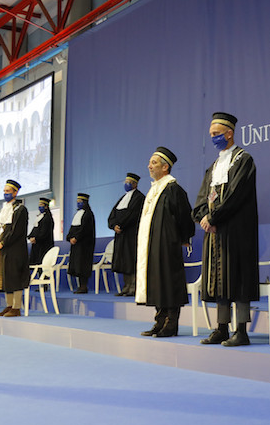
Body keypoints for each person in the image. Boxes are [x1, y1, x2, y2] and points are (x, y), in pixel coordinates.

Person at [192, 112, 260, 347]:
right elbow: (202, 198)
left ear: (229, 134)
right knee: (219, 281)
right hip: (215, 233)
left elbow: (235, 196)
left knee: (238, 279)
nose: (213, 138)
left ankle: (241, 331)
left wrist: (213, 217)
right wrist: (203, 217)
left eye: (216, 134)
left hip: (237, 232)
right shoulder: (213, 167)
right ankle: (221, 328)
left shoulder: (244, 160)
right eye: (211, 135)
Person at [137, 147, 195, 337]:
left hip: (168, 244)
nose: (149, 166)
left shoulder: (173, 189)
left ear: (165, 167)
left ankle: (172, 323)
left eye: (154, 163)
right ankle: (159, 321)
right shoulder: (154, 190)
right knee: (157, 281)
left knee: (169, 282)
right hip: (153, 245)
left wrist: (184, 238)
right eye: (149, 162)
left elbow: (184, 216)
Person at [0, 180, 30, 317]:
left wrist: (3, 242)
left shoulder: (20, 210)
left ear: (15, 192)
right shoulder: (1, 210)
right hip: (1, 249)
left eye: (8, 191)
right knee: (4, 276)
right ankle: (8, 305)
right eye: (4, 191)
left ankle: (17, 307)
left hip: (14, 249)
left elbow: (16, 231)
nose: (5, 193)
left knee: (15, 277)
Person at [108, 173, 144, 297]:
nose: (126, 184)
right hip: (120, 235)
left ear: (135, 184)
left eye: (129, 182)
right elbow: (112, 214)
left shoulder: (139, 197)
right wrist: (113, 225)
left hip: (131, 234)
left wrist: (121, 225)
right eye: (125, 181)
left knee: (131, 260)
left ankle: (133, 287)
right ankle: (125, 287)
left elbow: (133, 215)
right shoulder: (123, 198)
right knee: (123, 261)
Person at [66, 193, 95, 294]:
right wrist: (70, 237)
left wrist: (76, 238)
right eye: (77, 202)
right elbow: (73, 228)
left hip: (84, 245)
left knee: (82, 265)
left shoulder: (88, 214)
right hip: (76, 244)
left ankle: (83, 286)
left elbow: (85, 229)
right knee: (77, 265)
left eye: (80, 202)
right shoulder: (77, 214)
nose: (78, 204)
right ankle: (80, 286)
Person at [28, 197, 55, 267]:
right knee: (36, 265)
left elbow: (44, 232)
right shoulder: (39, 217)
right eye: (39, 205)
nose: (39, 207)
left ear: (46, 206)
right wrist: (30, 237)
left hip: (44, 245)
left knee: (43, 265)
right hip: (37, 245)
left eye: (41, 205)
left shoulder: (47, 218)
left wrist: (36, 238)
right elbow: (35, 229)